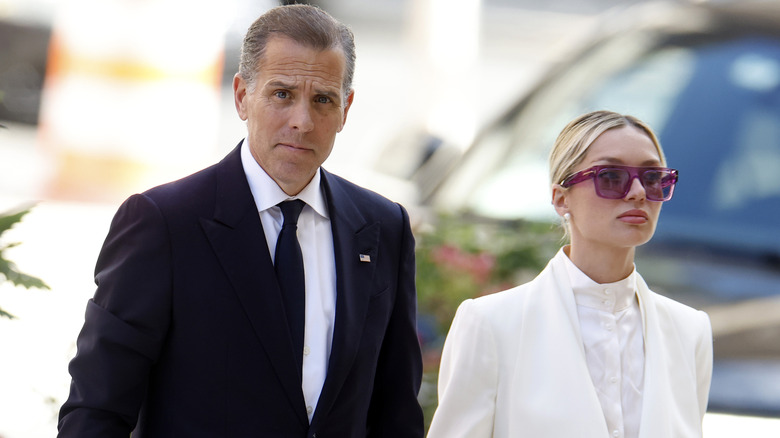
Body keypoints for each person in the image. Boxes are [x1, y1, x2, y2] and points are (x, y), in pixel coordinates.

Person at [57, 5, 424, 437]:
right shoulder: (164, 224)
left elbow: (396, 411)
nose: (302, 122)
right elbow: (96, 409)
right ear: (241, 96)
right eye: (282, 94)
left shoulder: (383, 226)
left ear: (345, 108)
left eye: (322, 99)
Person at [427, 110, 713, 438]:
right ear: (561, 198)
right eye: (611, 176)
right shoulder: (492, 323)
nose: (637, 192)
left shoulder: (690, 331)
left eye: (651, 178)